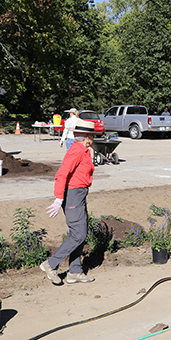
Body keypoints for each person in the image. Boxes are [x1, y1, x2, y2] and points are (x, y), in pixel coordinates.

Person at [41, 119, 98, 285]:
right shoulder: (77, 151)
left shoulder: (84, 150)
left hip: (79, 195)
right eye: (93, 136)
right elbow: (62, 174)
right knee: (78, 234)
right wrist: (59, 198)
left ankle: (75, 271)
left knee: (81, 233)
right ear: (87, 137)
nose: (94, 139)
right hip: (73, 195)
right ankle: (50, 264)